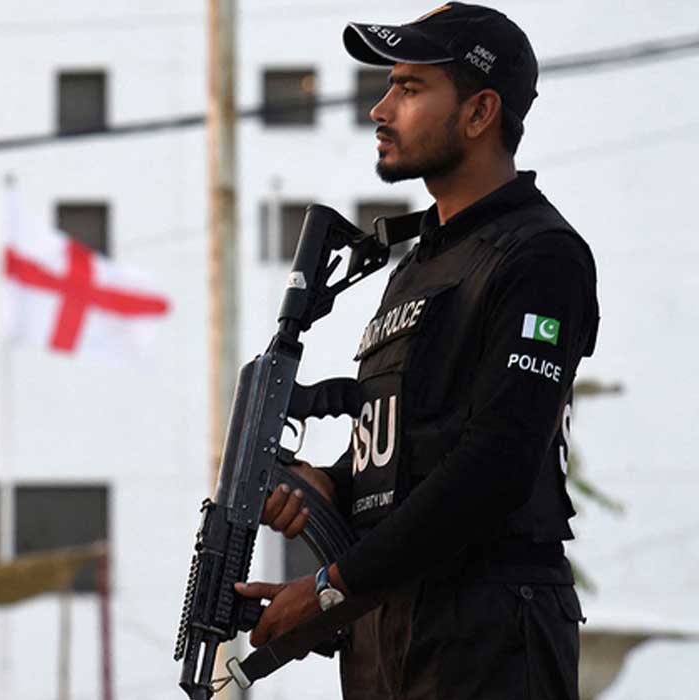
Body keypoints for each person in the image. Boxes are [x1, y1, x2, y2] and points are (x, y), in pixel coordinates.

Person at [234, 3, 601, 698]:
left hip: (489, 628)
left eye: (407, 89)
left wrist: (330, 590)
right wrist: (327, 488)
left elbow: (496, 463)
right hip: (390, 630)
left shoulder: (539, 255)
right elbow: (408, 444)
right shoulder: (415, 264)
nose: (379, 109)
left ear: (478, 111)